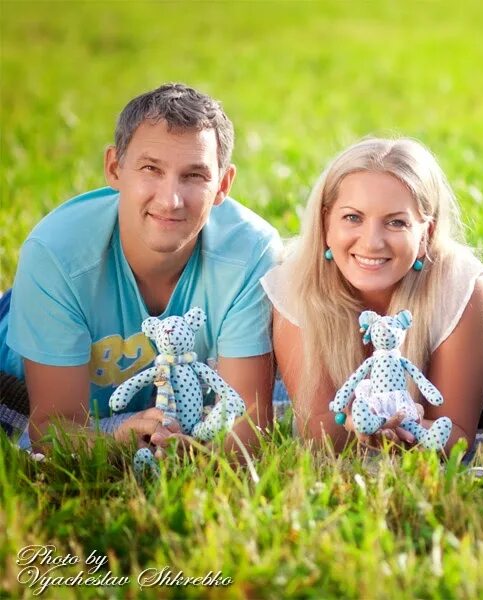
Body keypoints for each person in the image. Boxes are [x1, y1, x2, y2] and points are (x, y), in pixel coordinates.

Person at [0, 83, 281, 458]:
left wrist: (200, 457)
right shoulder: (56, 252)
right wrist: (115, 440)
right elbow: (50, 430)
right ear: (115, 168)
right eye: (151, 168)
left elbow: (248, 423)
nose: (170, 199)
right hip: (21, 376)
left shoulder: (251, 251)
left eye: (194, 175)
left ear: (223, 185)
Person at [262, 137, 483, 452]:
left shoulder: (466, 289)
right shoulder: (296, 283)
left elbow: (456, 436)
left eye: (396, 222)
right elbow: (318, 432)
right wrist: (359, 428)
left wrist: (404, 427)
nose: (372, 242)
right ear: (326, 222)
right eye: (353, 217)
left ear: (426, 234)